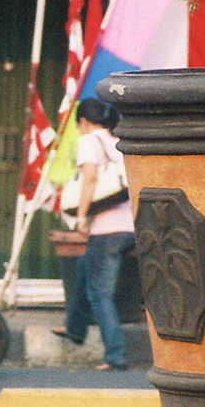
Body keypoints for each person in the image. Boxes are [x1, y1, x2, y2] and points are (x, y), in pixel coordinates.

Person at [51, 98, 135, 371]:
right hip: (130, 227)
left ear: (83, 122)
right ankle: (75, 328)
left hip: (107, 229)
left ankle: (116, 355)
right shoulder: (116, 140)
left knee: (100, 294)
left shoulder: (89, 141)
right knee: (83, 267)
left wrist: (81, 217)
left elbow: (89, 179)